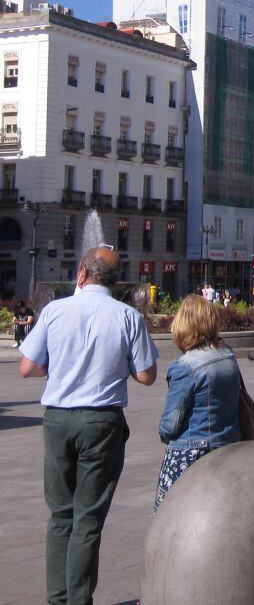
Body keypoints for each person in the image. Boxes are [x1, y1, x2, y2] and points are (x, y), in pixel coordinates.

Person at [18, 247, 158, 605]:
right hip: (101, 421)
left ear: (82, 274)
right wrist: (115, 365)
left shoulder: (54, 311)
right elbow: (146, 375)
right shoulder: (127, 316)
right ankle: (78, 599)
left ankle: (58, 598)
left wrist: (62, 367)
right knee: (88, 516)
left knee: (60, 514)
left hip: (58, 418)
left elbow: (27, 368)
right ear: (113, 282)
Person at [156, 295, 242, 511]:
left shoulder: (185, 366)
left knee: (169, 514)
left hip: (192, 451)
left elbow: (170, 425)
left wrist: (164, 434)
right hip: (228, 446)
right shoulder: (227, 357)